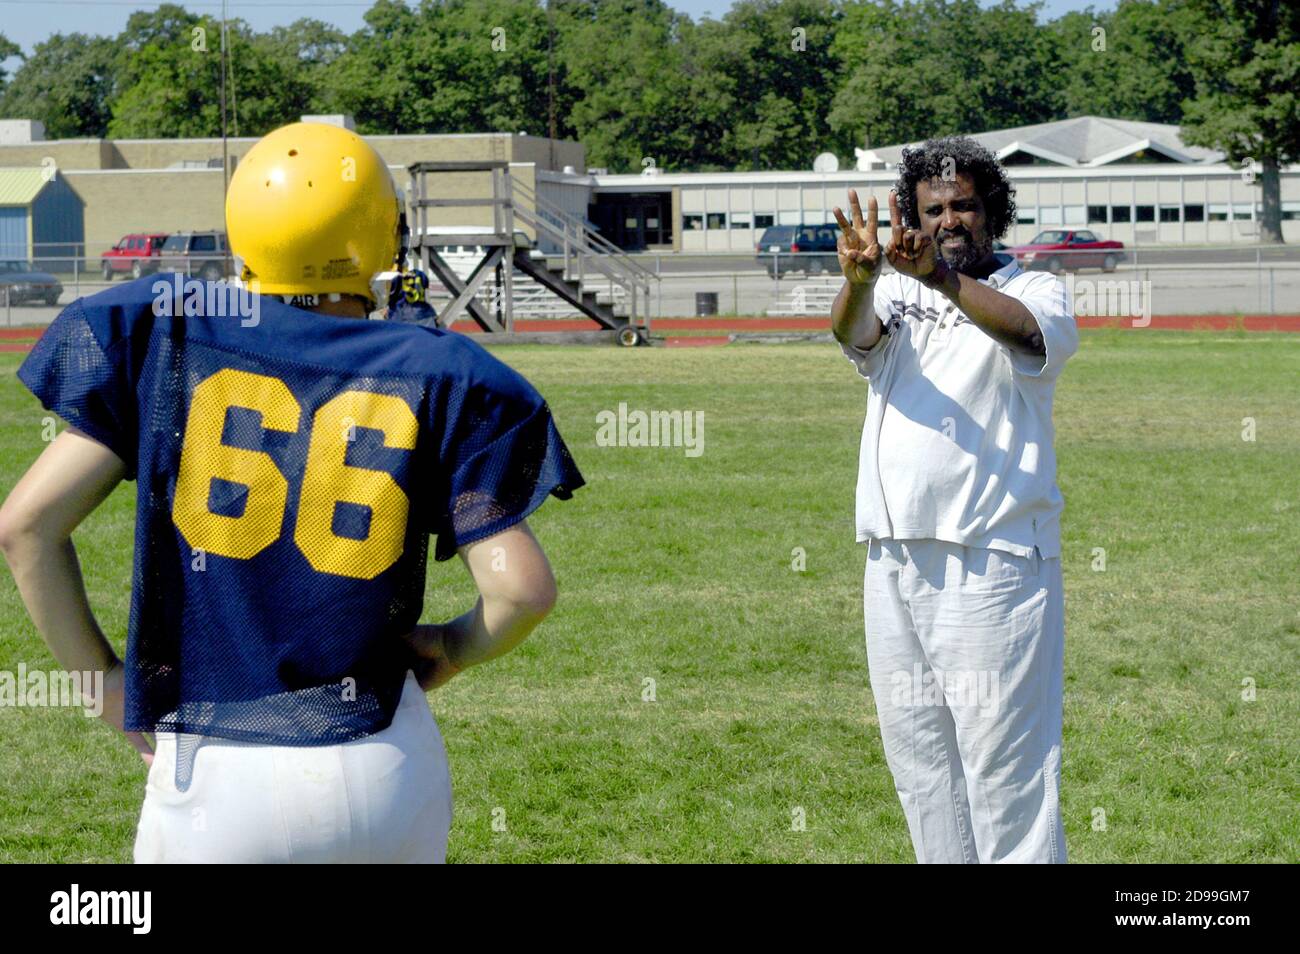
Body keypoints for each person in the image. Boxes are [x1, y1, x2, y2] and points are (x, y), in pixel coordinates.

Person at [0, 121, 584, 863]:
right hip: (385, 762)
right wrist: (452, 648)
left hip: (218, 770)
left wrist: (102, 683)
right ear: (379, 237)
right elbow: (522, 593)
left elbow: (25, 528)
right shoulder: (437, 367)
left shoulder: (170, 333)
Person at [830, 136, 1078, 863]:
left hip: (993, 562)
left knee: (1007, 777)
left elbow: (1028, 335)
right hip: (894, 558)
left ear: (991, 211)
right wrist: (859, 280)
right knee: (924, 773)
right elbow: (852, 336)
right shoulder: (896, 289)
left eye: (964, 205)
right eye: (933, 207)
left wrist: (938, 278)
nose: (948, 219)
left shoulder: (1035, 288)